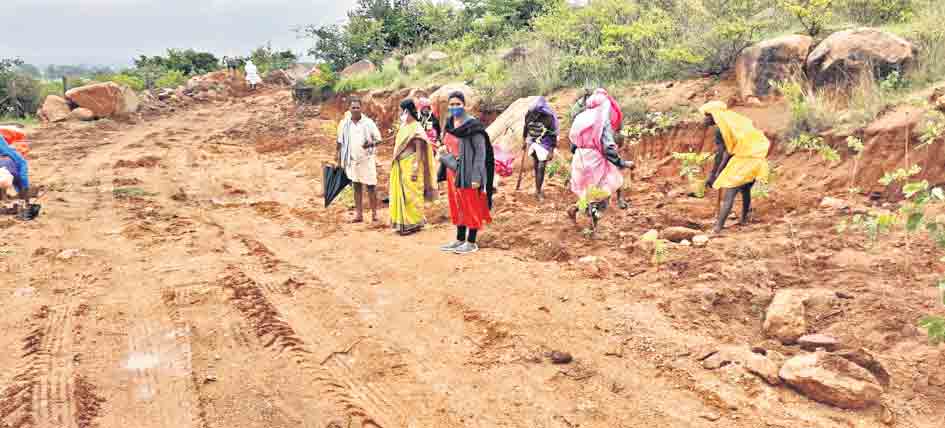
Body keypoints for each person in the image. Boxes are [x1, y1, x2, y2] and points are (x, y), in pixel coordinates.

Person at [438, 91, 495, 255]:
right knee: (457, 205)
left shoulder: (473, 126)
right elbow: (447, 143)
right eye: (452, 104)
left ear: (465, 105)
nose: (454, 107)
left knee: (471, 205)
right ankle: (459, 239)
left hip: (469, 172)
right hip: (452, 171)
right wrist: (443, 150)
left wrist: (477, 177)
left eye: (458, 104)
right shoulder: (449, 123)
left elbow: (480, 153)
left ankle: (471, 242)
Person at [700, 101, 770, 234]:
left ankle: (717, 228)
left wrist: (715, 174)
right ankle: (744, 219)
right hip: (757, 158)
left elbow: (722, 155)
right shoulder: (734, 121)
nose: (705, 119)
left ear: (714, 115)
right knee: (745, 188)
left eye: (706, 116)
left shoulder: (722, 129)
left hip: (745, 159)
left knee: (729, 194)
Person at [567, 89, 632, 226]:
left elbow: (573, 145)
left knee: (590, 192)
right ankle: (592, 228)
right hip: (595, 160)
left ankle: (576, 209)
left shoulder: (580, 117)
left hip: (580, 158)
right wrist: (621, 163)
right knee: (602, 193)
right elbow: (608, 148)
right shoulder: (602, 120)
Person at [390, 99, 437, 235]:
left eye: (401, 110)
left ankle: (413, 223)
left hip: (411, 164)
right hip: (400, 165)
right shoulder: (404, 126)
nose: (400, 113)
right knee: (403, 194)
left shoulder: (416, 127)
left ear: (406, 110)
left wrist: (416, 167)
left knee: (412, 194)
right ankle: (404, 223)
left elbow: (419, 149)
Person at [336, 98, 383, 223]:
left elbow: (379, 139)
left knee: (371, 186)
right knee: (356, 186)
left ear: (361, 108)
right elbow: (340, 142)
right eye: (353, 107)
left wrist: (370, 144)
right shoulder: (344, 124)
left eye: (357, 107)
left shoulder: (368, 123)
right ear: (349, 109)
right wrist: (338, 158)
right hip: (352, 160)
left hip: (367, 159)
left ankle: (374, 214)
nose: (356, 109)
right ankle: (359, 215)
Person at [523, 96, 559, 200]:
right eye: (533, 113)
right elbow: (525, 127)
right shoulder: (529, 114)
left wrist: (551, 151)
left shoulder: (549, 117)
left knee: (541, 166)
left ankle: (538, 191)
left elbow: (553, 134)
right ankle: (537, 188)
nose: (534, 116)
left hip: (545, 143)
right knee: (536, 164)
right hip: (533, 141)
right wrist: (524, 140)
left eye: (536, 113)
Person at [0, 132, 30, 218]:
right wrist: (26, 201)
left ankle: (6, 202)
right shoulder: (20, 161)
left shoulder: (11, 154)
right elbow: (23, 181)